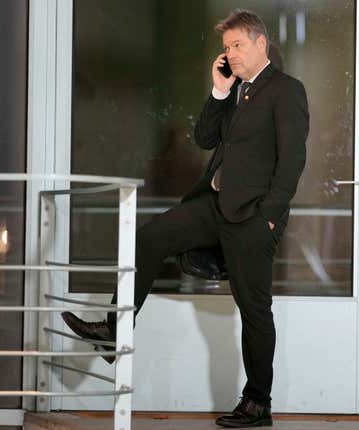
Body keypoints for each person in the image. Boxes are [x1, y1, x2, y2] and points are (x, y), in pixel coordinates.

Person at [61, 9, 309, 428]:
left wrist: (268, 217)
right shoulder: (235, 90)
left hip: (251, 217)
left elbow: (292, 162)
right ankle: (114, 329)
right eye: (226, 47)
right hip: (213, 205)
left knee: (254, 310)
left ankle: (257, 403)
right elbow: (204, 139)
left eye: (237, 46)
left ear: (261, 44)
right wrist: (217, 91)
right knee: (151, 237)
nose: (230, 54)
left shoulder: (286, 91)